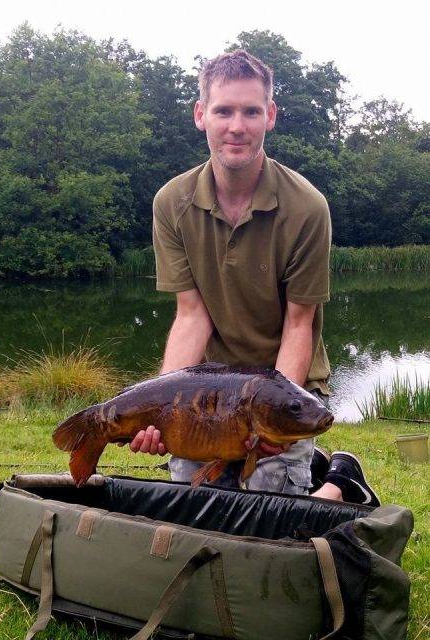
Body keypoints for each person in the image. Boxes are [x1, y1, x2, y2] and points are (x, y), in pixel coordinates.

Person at [126, 50, 380, 507]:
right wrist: (163, 405)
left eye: (251, 111)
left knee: (271, 517)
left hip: (287, 387)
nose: (237, 126)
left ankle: (341, 481)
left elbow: (299, 324)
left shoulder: (307, 207)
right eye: (223, 110)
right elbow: (191, 316)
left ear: (271, 116)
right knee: (196, 507)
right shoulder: (172, 203)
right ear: (201, 115)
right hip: (210, 386)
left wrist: (270, 418)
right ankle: (324, 472)